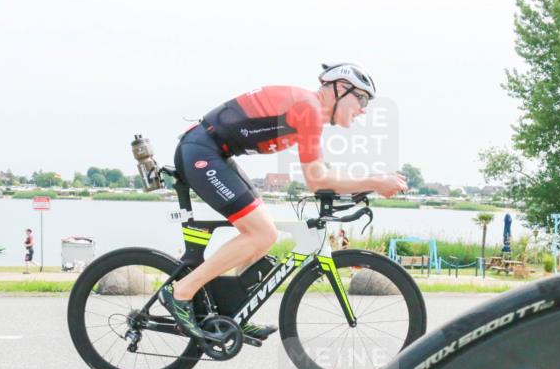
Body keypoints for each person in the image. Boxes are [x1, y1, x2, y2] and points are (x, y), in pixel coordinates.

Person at [160, 63, 408, 342]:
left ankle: (232, 313)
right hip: (202, 151)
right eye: (361, 98)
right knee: (261, 232)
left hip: (215, 151)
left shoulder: (309, 111)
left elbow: (319, 177)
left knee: (264, 235)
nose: (363, 108)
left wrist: (365, 186)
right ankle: (180, 292)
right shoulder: (309, 109)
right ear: (339, 89)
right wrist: (374, 181)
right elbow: (317, 180)